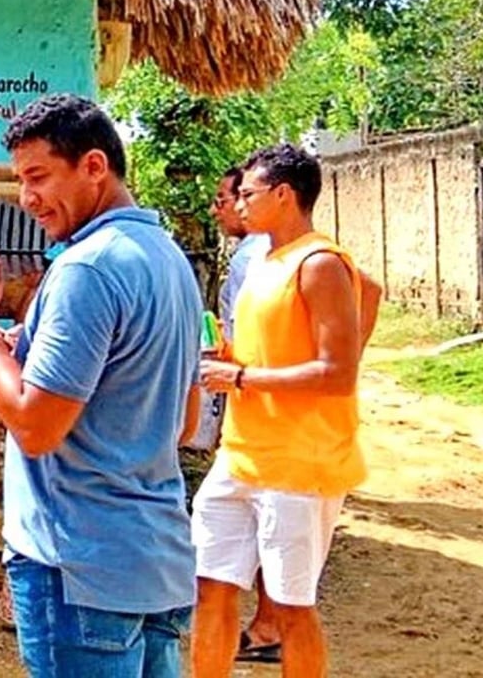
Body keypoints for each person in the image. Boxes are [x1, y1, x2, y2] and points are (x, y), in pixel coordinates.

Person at [0, 93, 202, 677]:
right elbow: (184, 423)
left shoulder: (86, 269)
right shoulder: (168, 260)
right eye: (20, 180)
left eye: (38, 176)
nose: (27, 199)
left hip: (79, 566)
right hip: (154, 562)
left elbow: (36, 427)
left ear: (94, 166)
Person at [191, 144, 382, 678]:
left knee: (292, 607)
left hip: (301, 465)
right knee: (211, 585)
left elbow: (337, 373)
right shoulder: (266, 260)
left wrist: (245, 378)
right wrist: (230, 359)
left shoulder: (318, 263)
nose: (239, 203)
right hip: (242, 456)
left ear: (283, 195)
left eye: (248, 193)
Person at [205, 167, 280, 664]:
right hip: (247, 405)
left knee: (268, 520)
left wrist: (246, 377)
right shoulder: (251, 254)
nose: (220, 208)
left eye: (227, 198)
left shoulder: (265, 255)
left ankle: (270, 625)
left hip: (268, 413)